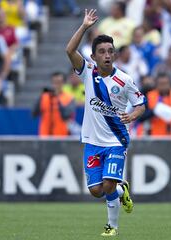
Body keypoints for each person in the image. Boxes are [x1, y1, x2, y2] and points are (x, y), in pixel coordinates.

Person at [65, 9, 146, 237]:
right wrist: (84, 27)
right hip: (92, 141)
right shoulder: (87, 72)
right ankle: (122, 190)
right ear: (94, 56)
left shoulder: (125, 80)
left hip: (116, 141)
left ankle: (112, 227)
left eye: (111, 51)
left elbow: (141, 103)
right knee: (96, 191)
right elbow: (69, 50)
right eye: (102, 51)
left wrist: (133, 115)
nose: (107, 55)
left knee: (108, 185)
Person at [33, 72, 75, 136]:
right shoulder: (44, 97)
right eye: (54, 82)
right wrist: (41, 97)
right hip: (44, 135)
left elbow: (66, 115)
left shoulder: (69, 98)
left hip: (62, 135)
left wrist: (57, 99)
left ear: (63, 83)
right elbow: (34, 113)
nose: (56, 85)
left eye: (59, 82)